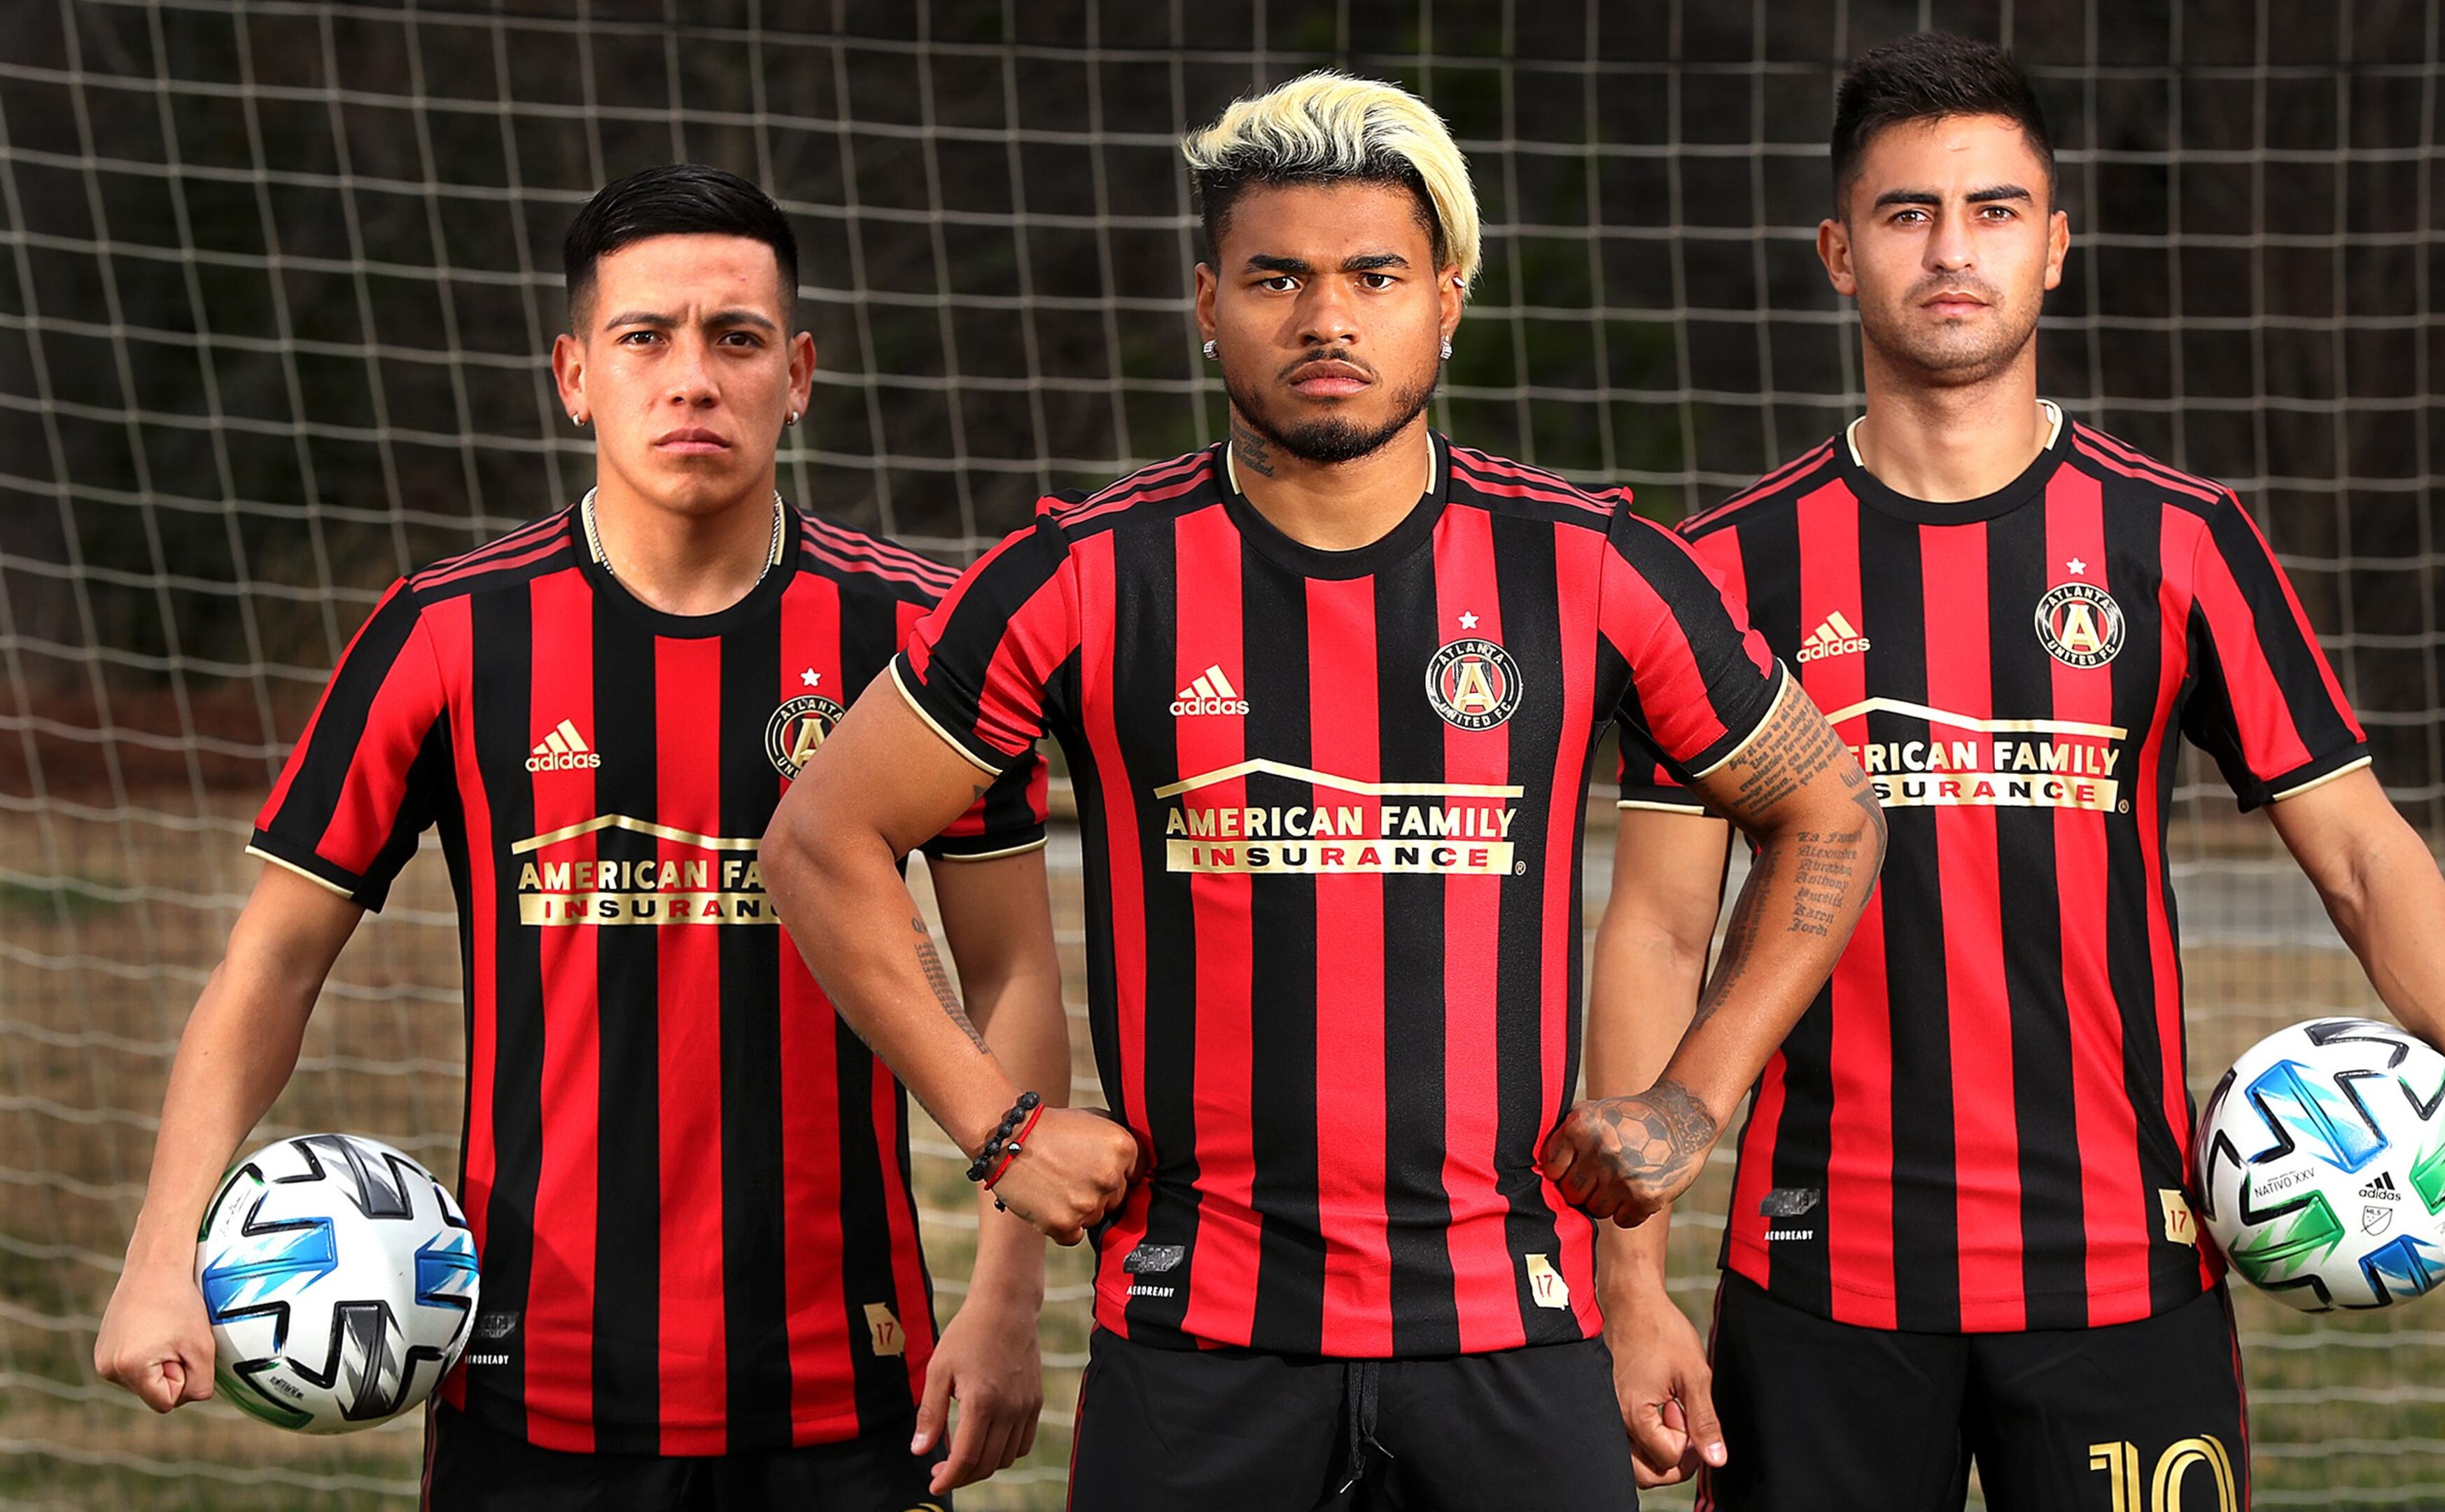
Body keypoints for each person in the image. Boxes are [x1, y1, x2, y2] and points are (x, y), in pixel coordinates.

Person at [761, 71, 1884, 1512]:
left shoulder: (1592, 564)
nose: (1328, 319)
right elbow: (819, 836)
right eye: (1277, 277)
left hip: (1514, 1335)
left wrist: (1693, 1100)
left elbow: (1831, 811)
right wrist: (995, 1121)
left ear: (1449, 298)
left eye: (1375, 275)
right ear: (1206, 300)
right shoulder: (1083, 574)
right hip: (1195, 1341)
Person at [1593, 33, 2445, 1511]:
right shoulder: (1724, 567)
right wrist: (1631, 1284)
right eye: (1905, 213)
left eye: (1995, 210)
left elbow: (2367, 860)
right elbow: (1662, 930)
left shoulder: (2178, 539)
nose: (1952, 250)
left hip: (2124, 1270)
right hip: (1819, 1279)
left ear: (2055, 248)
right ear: (1836, 252)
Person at [92, 164, 1065, 1510]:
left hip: (847, 1386)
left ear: (798, 373)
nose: (690, 379)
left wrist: (1007, 1300)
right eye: (643, 338)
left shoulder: (917, 634)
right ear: (573, 373)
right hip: (528, 1394)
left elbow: (1014, 968)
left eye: (735, 340)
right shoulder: (450, 633)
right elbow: (271, 965)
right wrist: (158, 1252)